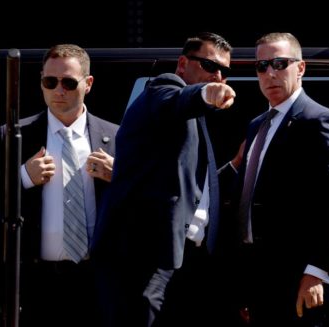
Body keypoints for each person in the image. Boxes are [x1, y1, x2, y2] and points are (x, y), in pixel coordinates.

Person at [91, 32, 236, 327]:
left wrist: (233, 167)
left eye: (224, 70)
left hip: (180, 255)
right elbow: (177, 100)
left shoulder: (193, 118)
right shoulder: (164, 87)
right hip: (144, 256)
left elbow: (188, 182)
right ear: (183, 63)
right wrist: (207, 94)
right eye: (209, 65)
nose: (218, 75)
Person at [2, 44, 119, 327]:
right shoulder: (13, 136)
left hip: (96, 278)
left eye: (68, 82)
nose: (58, 90)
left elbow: (142, 203)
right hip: (36, 281)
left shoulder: (116, 137)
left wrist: (119, 177)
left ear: (87, 84)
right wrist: (23, 177)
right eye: (49, 81)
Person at [230, 32, 329, 327]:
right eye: (262, 65)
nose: (270, 73)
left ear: (300, 68)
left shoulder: (318, 120)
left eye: (279, 63)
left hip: (300, 278)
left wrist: (317, 270)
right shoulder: (257, 125)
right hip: (257, 275)